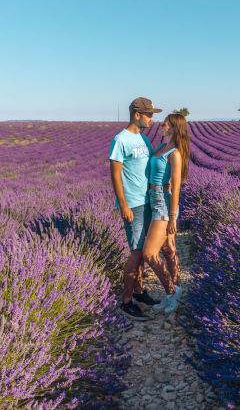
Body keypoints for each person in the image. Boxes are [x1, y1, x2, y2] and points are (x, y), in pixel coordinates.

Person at [110, 97, 164, 321]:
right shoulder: (120, 140)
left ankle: (140, 292)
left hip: (148, 199)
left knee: (142, 250)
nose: (152, 118)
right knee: (136, 252)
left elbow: (151, 164)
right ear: (137, 114)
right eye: (149, 114)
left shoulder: (143, 139)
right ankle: (127, 300)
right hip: (133, 203)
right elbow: (114, 174)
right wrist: (123, 204)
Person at [143, 113, 190, 313]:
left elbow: (177, 187)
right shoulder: (162, 147)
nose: (161, 125)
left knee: (149, 253)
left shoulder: (175, 153)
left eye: (165, 124)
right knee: (169, 251)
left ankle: (172, 294)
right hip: (154, 199)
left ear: (174, 128)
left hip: (163, 202)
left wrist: (172, 217)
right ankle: (174, 295)